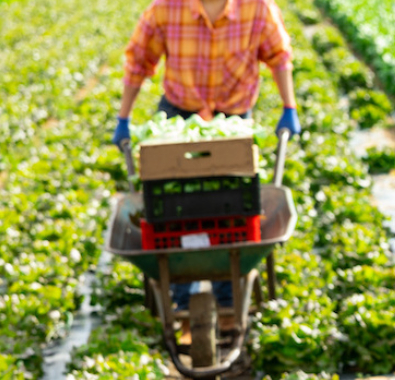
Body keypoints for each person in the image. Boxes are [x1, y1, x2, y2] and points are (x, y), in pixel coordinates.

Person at [112, 0, 300, 335]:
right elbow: (139, 61)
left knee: (231, 206)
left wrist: (290, 106)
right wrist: (124, 117)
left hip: (233, 124)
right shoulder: (166, 9)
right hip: (178, 120)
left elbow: (279, 56)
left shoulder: (257, 8)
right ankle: (181, 297)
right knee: (175, 208)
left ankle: (229, 299)